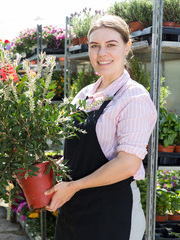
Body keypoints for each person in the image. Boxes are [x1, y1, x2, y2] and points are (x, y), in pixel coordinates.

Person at [44, 15, 157, 240]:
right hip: (74, 208)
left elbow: (127, 164)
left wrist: (75, 185)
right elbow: (77, 151)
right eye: (94, 46)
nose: (101, 53)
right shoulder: (84, 94)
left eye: (111, 45)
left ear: (127, 47)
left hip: (112, 212)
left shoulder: (133, 97)